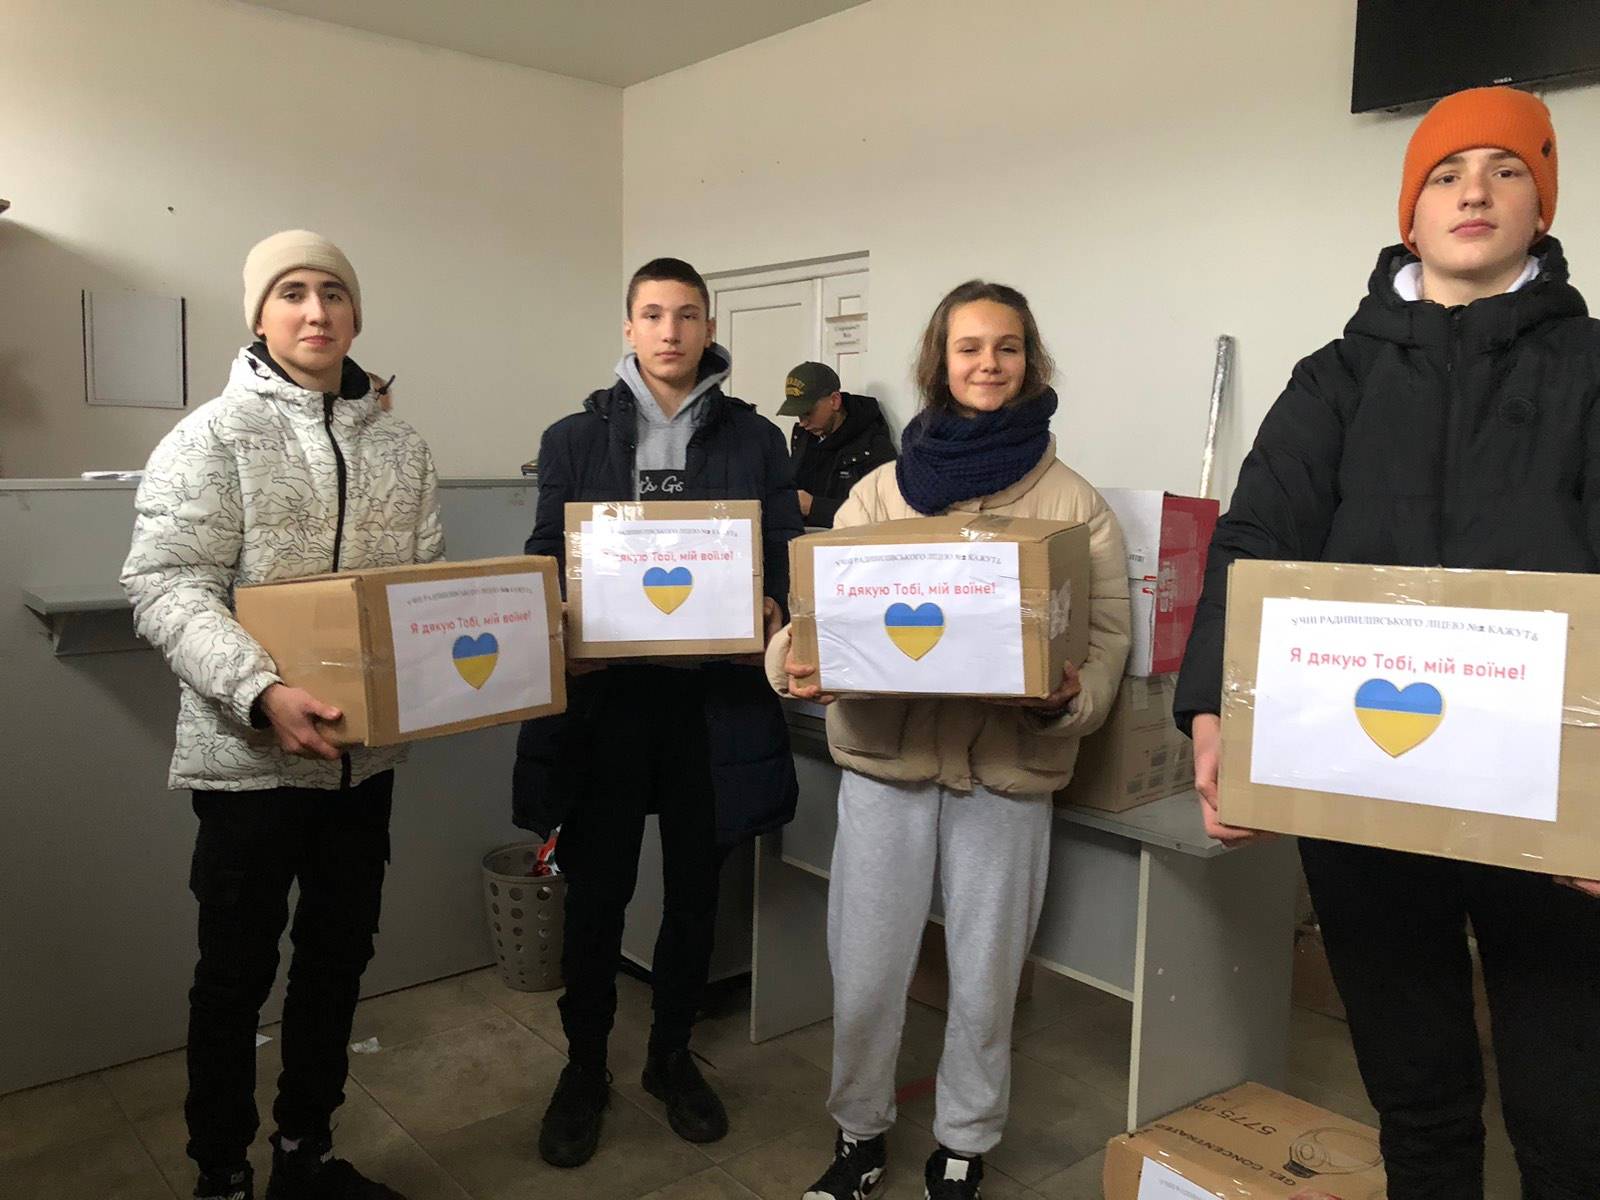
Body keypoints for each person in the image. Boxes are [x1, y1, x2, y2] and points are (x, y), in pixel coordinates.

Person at [1173, 87, 1600, 1199]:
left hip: (1553, 811)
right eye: (1445, 173)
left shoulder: (1592, 369)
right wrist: (1213, 705)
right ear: (1410, 215)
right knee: (1416, 1097)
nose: (1474, 190)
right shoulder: (1335, 378)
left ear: (1542, 207)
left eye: (1506, 169)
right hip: (1364, 790)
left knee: (1571, 1113)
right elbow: (1254, 542)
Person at [773, 280, 1130, 1200]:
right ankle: (859, 1134)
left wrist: (1069, 697)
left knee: (986, 976)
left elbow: (1105, 642)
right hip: (886, 767)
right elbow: (817, 614)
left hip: (1006, 773)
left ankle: (965, 1143)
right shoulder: (879, 491)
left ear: (1030, 361)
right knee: (866, 971)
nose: (988, 364)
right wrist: (793, 662)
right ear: (940, 360)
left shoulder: (1074, 503)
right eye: (970, 347)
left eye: (1006, 347)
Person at [122, 230, 443, 1200]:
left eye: (333, 292)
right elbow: (166, 586)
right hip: (248, 765)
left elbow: (422, 588)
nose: (315, 311)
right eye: (293, 292)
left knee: (336, 964)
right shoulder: (210, 437)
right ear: (259, 315)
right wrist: (260, 691)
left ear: (356, 313)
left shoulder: (403, 446)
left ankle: (306, 1153)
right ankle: (220, 1173)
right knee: (234, 978)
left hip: (360, 765)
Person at [513, 256, 803, 1168]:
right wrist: (562, 611)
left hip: (710, 707)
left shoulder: (757, 439)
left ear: (709, 327)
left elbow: (784, 550)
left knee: (694, 895)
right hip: (605, 707)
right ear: (629, 328)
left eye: (686, 315)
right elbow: (545, 552)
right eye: (652, 314)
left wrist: (772, 602)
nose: (669, 332)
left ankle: (671, 1057)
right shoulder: (573, 438)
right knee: (596, 895)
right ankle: (584, 1065)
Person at [778, 360, 896, 527]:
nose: (803, 422)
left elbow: (881, 513)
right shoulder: (803, 436)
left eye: (808, 413)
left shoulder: (873, 445)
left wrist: (814, 507)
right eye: (798, 415)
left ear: (834, 400)